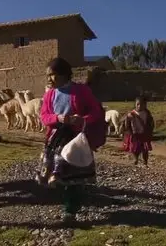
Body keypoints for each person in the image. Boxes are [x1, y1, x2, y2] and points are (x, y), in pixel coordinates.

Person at [37, 57, 105, 223]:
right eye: (48, 75)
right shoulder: (50, 95)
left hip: (75, 139)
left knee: (75, 177)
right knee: (57, 174)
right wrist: (60, 118)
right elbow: (44, 117)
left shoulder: (81, 91)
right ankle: (69, 201)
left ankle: (70, 210)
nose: (49, 79)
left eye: (52, 75)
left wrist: (82, 120)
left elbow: (96, 112)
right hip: (56, 138)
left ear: (64, 74)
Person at [122, 96, 154, 166]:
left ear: (145, 105)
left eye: (142, 104)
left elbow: (151, 123)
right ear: (135, 104)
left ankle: (145, 162)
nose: (139, 106)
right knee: (135, 149)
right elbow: (126, 124)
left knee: (145, 150)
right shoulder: (131, 114)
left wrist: (150, 132)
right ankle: (136, 159)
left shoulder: (147, 113)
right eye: (138, 104)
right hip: (134, 134)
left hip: (144, 134)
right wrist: (128, 132)